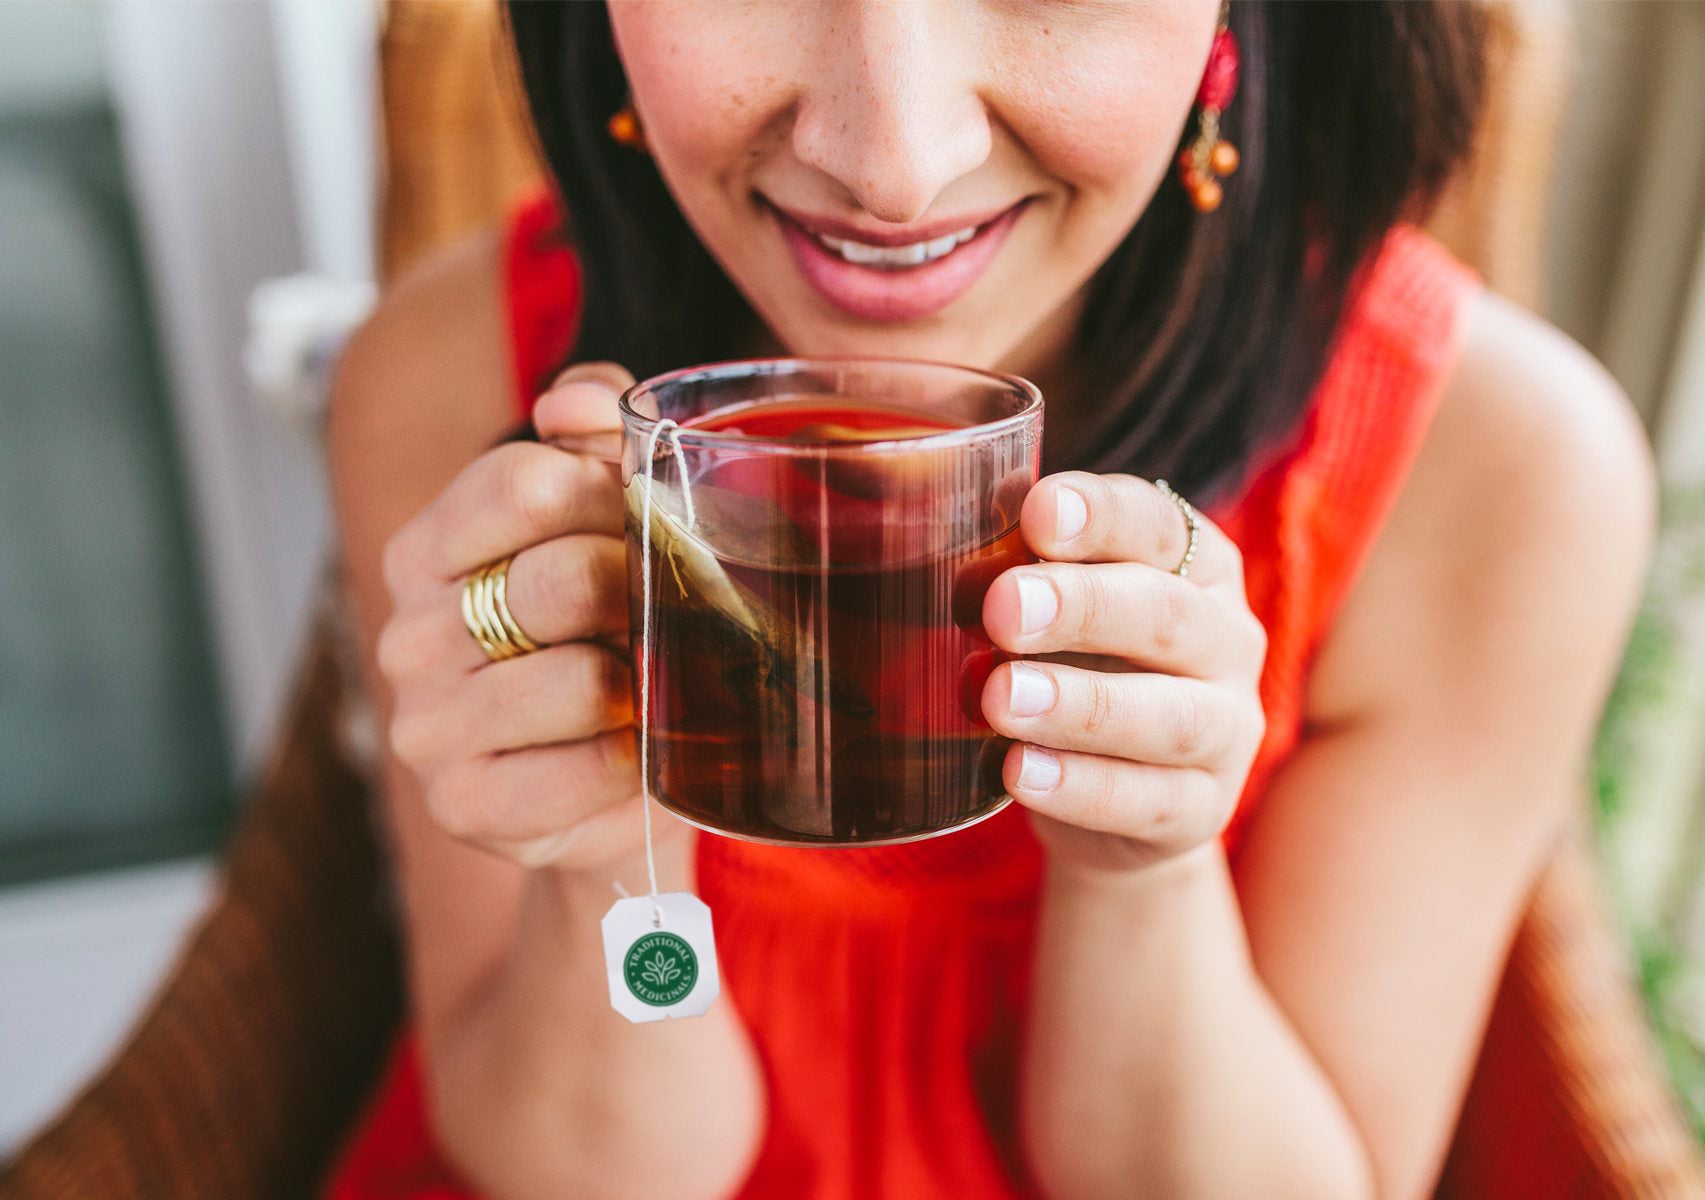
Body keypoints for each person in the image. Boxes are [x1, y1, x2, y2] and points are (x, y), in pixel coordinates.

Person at [324, 3, 1655, 1198]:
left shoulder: (1489, 473)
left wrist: (1143, 871)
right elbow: (580, 1173)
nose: (891, 163)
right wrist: (603, 858)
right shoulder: (454, 384)